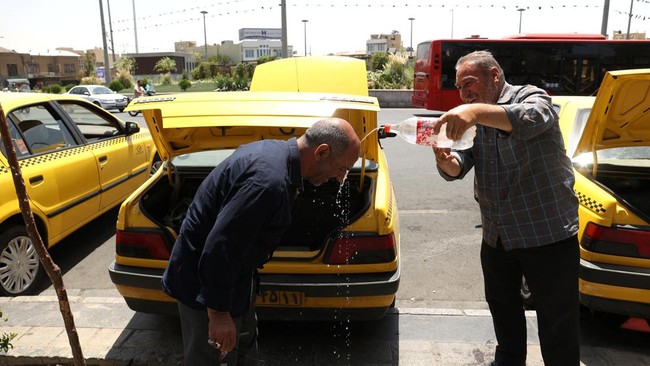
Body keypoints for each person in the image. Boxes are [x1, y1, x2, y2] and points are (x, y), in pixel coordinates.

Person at [161, 117, 361, 366]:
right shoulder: (267, 183)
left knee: (244, 347)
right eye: (342, 168)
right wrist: (219, 314)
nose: (341, 178)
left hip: (234, 281)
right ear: (322, 152)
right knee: (212, 359)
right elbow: (220, 248)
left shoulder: (278, 157)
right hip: (204, 288)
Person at [432, 51, 580, 366]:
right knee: (504, 313)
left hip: (547, 235)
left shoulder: (530, 97)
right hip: (498, 236)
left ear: (495, 76)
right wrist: (446, 161)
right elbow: (461, 164)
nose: (464, 94)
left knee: (557, 323)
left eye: (469, 83)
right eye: (459, 88)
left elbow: (533, 119)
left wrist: (473, 111)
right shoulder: (474, 118)